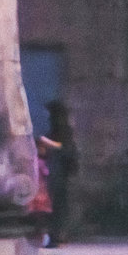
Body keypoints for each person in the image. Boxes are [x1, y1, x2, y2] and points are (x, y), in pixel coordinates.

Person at [41, 100, 78, 247]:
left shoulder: (63, 129)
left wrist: (46, 142)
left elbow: (63, 146)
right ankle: (55, 235)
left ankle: (58, 235)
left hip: (60, 171)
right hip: (58, 170)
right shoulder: (57, 127)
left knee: (58, 205)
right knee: (56, 205)